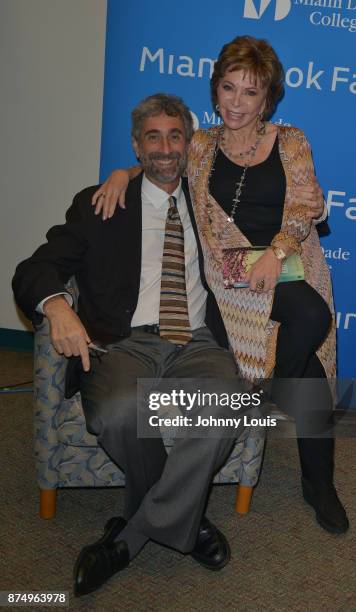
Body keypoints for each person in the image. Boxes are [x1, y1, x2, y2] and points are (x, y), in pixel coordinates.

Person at [94, 37, 348, 536]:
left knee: (314, 321)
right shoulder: (203, 144)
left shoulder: (290, 139)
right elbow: (158, 163)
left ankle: (306, 461)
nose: (236, 101)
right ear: (215, 90)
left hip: (281, 261)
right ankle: (310, 469)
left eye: (249, 92)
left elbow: (303, 208)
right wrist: (121, 173)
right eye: (228, 88)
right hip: (226, 274)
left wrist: (277, 254)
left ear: (266, 99)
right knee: (311, 367)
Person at [12, 94, 258, 597]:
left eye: (175, 136)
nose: (165, 148)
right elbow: (34, 269)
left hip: (198, 341)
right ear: (136, 145)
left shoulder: (212, 202)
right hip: (125, 343)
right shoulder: (100, 204)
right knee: (121, 412)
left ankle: (128, 538)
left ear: (191, 144)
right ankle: (187, 525)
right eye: (153, 137)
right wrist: (58, 307)